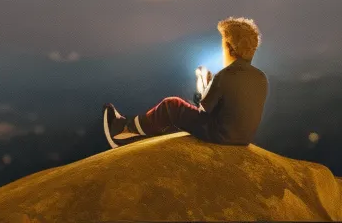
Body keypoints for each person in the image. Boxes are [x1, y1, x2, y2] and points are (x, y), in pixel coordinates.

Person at [103, 16, 268, 149]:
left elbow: (204, 109)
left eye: (223, 45)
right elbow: (234, 109)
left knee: (172, 105)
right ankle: (143, 135)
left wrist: (204, 85)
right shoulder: (261, 78)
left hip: (219, 135)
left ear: (230, 49)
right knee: (180, 121)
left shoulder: (224, 76)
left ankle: (123, 129)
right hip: (242, 139)